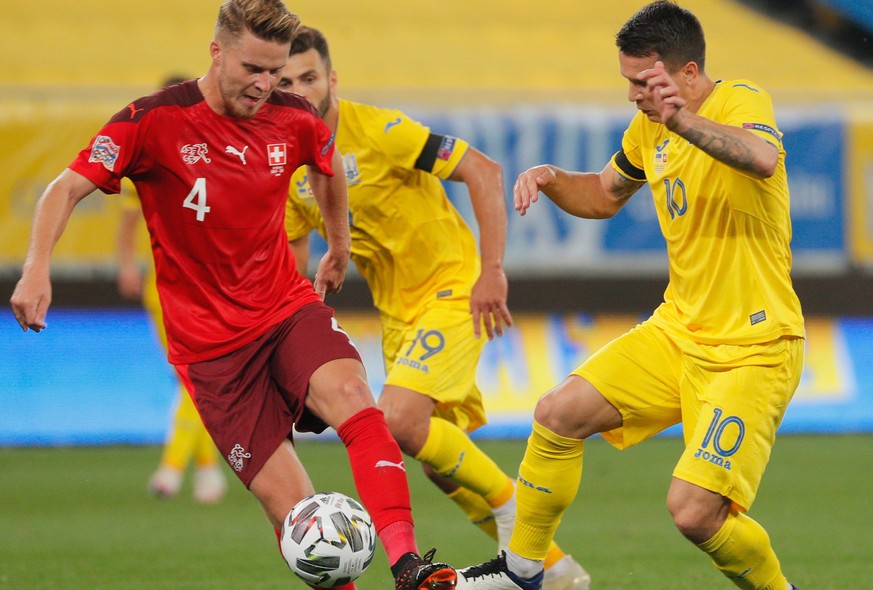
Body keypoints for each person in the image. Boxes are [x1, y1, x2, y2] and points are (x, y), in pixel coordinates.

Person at [10, 2, 457, 588]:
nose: (265, 84)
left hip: (284, 308)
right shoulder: (151, 121)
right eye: (254, 68)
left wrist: (339, 245)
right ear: (216, 52)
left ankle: (407, 564)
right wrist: (36, 267)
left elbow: (326, 169)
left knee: (354, 396)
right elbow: (64, 188)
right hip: (212, 352)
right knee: (295, 515)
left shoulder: (293, 117)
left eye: (275, 71)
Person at [456, 2, 805, 589]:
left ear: (687, 72)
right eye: (628, 82)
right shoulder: (650, 127)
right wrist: (550, 177)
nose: (633, 96)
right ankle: (521, 574)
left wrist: (682, 123)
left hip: (753, 345)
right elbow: (604, 194)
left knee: (694, 513)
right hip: (678, 332)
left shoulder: (740, 100)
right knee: (556, 414)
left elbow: (763, 158)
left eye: (644, 82)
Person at [280, 26, 590, 590]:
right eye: (286, 82)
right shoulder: (291, 167)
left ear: (332, 79)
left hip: (452, 287)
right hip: (398, 315)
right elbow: (296, 260)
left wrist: (491, 270)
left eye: (309, 78)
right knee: (436, 463)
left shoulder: (381, 131)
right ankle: (559, 572)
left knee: (397, 418)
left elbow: (483, 170)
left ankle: (514, 519)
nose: (300, 91)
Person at [117, 164, 227, 503]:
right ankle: (208, 470)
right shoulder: (152, 159)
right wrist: (125, 264)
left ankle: (173, 466)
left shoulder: (222, 157)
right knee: (191, 379)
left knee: (197, 378)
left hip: (206, 285)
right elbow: (129, 219)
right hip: (164, 287)